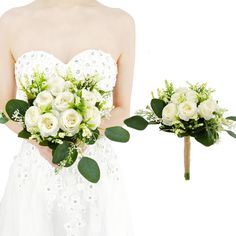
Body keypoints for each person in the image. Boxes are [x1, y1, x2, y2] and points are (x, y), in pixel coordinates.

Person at [0, 0, 135, 235]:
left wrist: (83, 137)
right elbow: (4, 107)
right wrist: (41, 142)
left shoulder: (121, 22)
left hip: (95, 170)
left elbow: (122, 107)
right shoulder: (11, 21)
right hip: (36, 169)